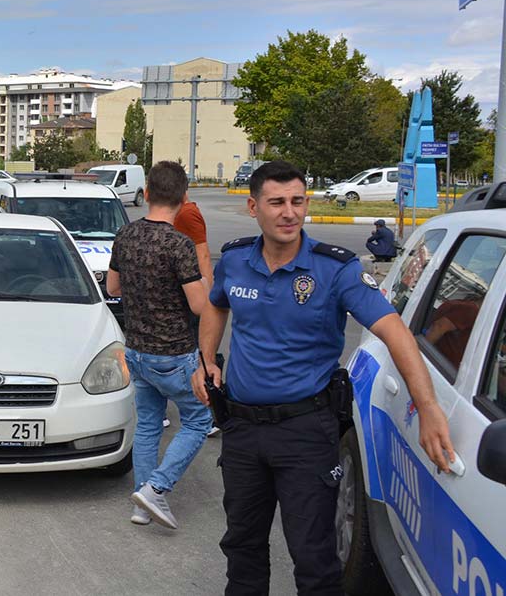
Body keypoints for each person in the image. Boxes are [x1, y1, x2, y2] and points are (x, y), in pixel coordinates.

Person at [195, 160, 455, 595]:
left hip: (306, 433)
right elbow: (216, 305)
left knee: (314, 557)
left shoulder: (335, 270)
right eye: (276, 202)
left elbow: (395, 332)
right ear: (252, 207)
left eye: (298, 201)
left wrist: (427, 408)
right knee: (242, 548)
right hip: (240, 430)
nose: (289, 212)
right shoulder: (236, 259)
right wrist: (206, 363)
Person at [105, 161, 212, 530]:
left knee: (148, 425)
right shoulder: (179, 245)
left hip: (135, 350)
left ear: (147, 193)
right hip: (174, 354)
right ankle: (156, 488)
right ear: (183, 199)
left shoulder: (125, 235)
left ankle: (141, 504)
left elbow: (112, 289)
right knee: (200, 420)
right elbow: (200, 305)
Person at [173, 188, 222, 437]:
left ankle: (210, 413)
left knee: (199, 352)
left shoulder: (187, 213)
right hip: (187, 290)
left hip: (195, 290)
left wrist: (209, 292)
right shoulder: (183, 212)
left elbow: (202, 252)